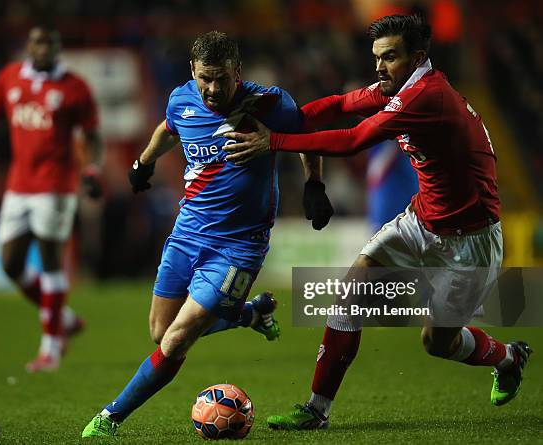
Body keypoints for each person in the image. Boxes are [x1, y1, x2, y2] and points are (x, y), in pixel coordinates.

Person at [222, 15, 532, 429]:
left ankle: (509, 357)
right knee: (352, 289)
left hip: (470, 239)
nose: (379, 67)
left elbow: (353, 139)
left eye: (389, 57)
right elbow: (341, 105)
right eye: (376, 58)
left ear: (417, 57)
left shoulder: (427, 96)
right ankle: (317, 409)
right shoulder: (400, 86)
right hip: (421, 220)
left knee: (437, 343)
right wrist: (288, 119)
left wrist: (273, 141)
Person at [81, 31, 334, 438]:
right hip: (186, 234)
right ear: (193, 72)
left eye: (222, 79)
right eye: (205, 79)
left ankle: (111, 417)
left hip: (239, 246)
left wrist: (314, 185)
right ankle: (251, 313)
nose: (213, 89)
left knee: (177, 339)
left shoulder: (269, 104)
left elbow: (307, 136)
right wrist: (143, 163)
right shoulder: (182, 99)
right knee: (161, 333)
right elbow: (168, 129)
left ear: (238, 71)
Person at [0, 26, 103, 372]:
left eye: (51, 43)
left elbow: (92, 135)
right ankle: (64, 319)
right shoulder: (10, 78)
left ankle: (51, 348)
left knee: (52, 262)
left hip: (56, 185)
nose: (44, 49)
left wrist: (92, 170)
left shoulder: (74, 87)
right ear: (29, 46)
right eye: (38, 42)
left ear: (57, 48)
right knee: (11, 264)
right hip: (18, 185)